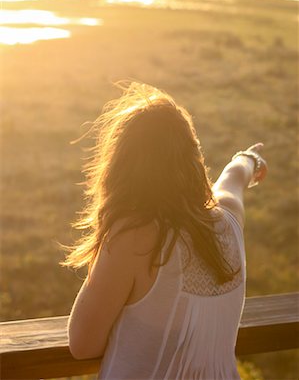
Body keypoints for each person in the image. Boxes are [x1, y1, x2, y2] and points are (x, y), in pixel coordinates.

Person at [60, 81, 268, 380]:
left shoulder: (133, 237)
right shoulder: (229, 219)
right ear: (193, 159)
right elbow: (233, 178)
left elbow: (82, 344)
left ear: (121, 168)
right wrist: (248, 159)